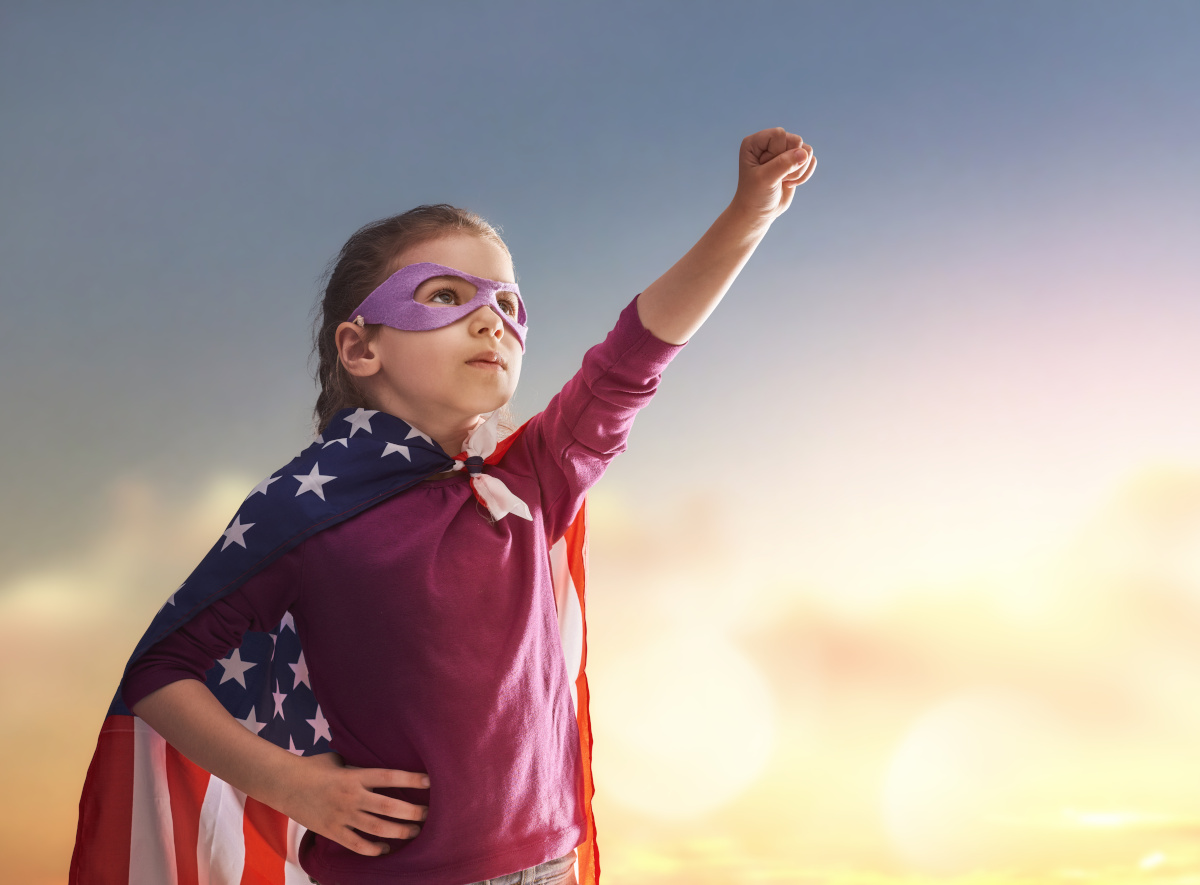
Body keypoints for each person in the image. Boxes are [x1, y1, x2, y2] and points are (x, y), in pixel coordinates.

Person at [71, 127, 816, 885]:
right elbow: (162, 668)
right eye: (446, 297)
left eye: (509, 304)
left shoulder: (530, 480)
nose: (492, 319)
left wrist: (749, 213)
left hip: (551, 863)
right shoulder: (301, 512)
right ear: (362, 348)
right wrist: (291, 784)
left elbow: (636, 355)